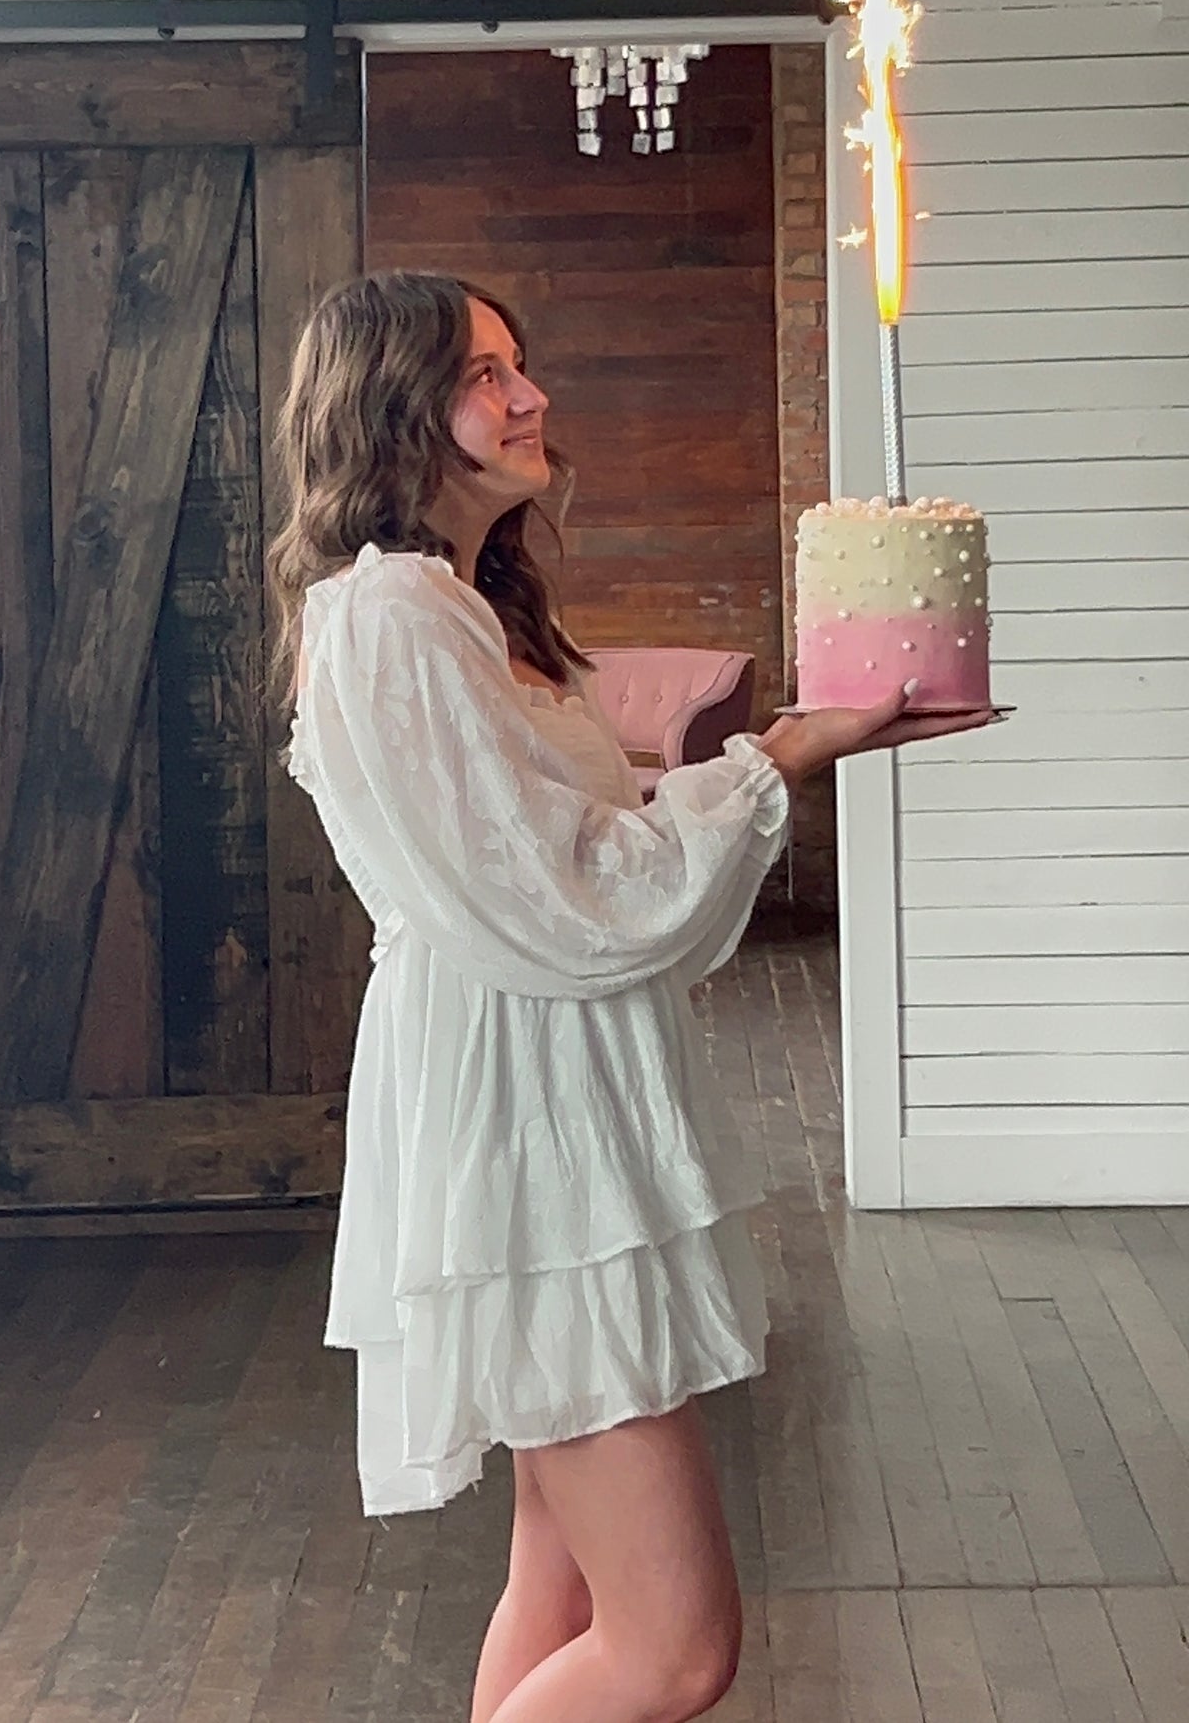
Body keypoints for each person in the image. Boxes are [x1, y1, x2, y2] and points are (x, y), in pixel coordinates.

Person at [267, 269, 992, 1723]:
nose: (530, 395)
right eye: (487, 372)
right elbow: (574, 890)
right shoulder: (395, 617)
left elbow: (568, 842)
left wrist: (810, 737)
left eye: (521, 362)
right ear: (392, 406)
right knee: (674, 1645)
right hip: (523, 1118)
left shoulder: (462, 610)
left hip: (541, 1089)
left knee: (564, 1578)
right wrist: (781, 757)